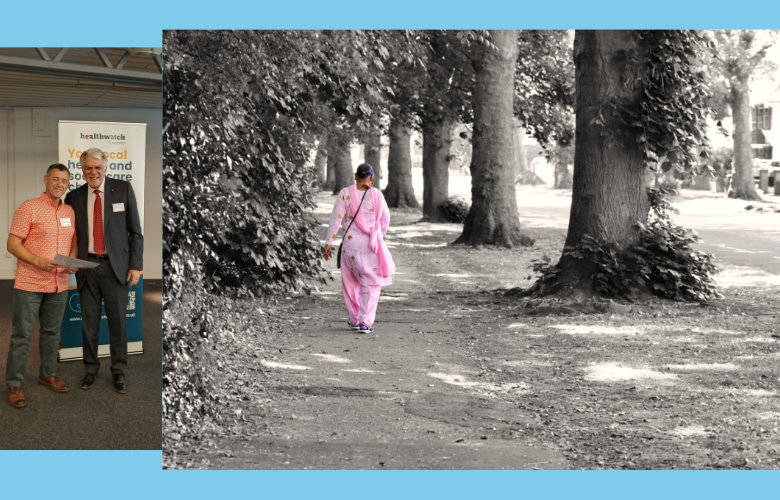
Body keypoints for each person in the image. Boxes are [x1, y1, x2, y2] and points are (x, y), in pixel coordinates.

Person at [65, 148, 143, 394]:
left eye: (97, 167)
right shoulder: (73, 197)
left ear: (105, 168)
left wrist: (136, 265)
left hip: (115, 267)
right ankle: (91, 369)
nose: (93, 172)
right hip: (87, 266)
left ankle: (118, 371)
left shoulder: (122, 189)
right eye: (88, 167)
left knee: (118, 322)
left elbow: (135, 232)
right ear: (82, 169)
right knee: (89, 324)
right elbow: (70, 234)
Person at [5, 164, 78, 408]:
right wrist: (36, 260)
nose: (60, 184)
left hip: (59, 283)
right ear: (45, 180)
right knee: (21, 335)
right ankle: (14, 383)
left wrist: (72, 262)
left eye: (64, 180)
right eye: (55, 179)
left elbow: (73, 242)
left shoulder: (69, 211)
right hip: (30, 282)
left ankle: (47, 374)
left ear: (68, 184)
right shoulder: (29, 208)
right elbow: (12, 244)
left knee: (51, 332)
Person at [323, 164, 395, 333]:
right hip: (370, 246)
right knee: (371, 282)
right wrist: (378, 237)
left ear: (355, 176)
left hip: (350, 245)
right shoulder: (377, 195)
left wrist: (328, 243)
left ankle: (354, 319)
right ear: (372, 178)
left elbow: (336, 219)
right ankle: (365, 321)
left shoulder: (345, 194)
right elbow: (385, 220)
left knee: (351, 282)